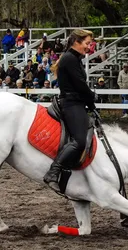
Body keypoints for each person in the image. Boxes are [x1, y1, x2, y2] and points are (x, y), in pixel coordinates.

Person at [43, 29, 96, 192]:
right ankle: (53, 172)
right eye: (87, 43)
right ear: (76, 42)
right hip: (71, 104)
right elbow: (80, 85)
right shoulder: (70, 59)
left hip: (77, 103)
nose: (89, 47)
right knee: (79, 141)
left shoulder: (74, 59)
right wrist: (92, 98)